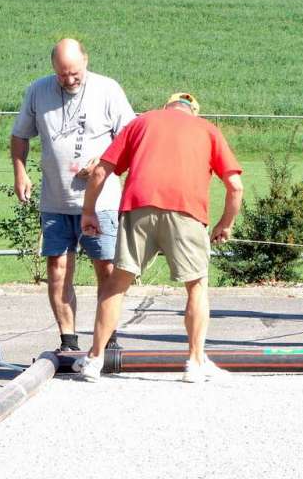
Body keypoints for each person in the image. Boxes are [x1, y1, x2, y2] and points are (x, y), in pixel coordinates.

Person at [72, 92, 244, 383]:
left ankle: (94, 359)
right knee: (196, 286)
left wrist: (88, 212)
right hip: (188, 211)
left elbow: (101, 171)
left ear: (167, 106)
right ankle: (194, 362)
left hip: (138, 207)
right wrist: (224, 225)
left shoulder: (142, 122)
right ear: (193, 111)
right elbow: (235, 187)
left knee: (117, 284)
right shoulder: (207, 129)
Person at [10, 38, 136, 351]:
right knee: (57, 269)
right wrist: (20, 172)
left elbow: (131, 138)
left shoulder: (108, 90)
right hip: (56, 201)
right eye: (62, 74)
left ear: (86, 62)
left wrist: (105, 160)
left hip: (99, 201)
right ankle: (68, 340)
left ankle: (109, 339)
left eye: (74, 73)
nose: (69, 80)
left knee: (106, 268)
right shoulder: (38, 91)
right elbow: (19, 135)